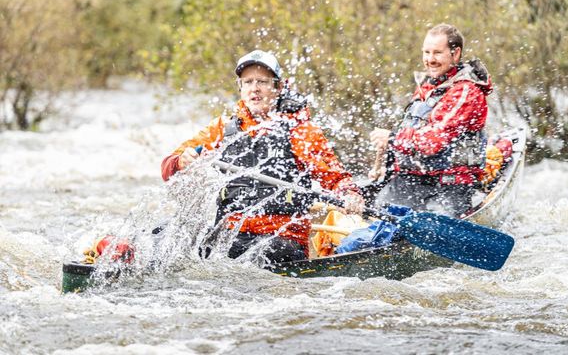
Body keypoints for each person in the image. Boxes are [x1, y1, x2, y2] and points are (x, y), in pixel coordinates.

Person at [161, 50, 364, 263]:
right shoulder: (222, 128)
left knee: (257, 255)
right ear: (240, 88)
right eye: (248, 82)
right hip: (229, 232)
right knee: (166, 236)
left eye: (262, 81)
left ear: (278, 87)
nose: (254, 89)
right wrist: (181, 161)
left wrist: (350, 194)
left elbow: (336, 179)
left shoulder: (300, 131)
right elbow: (168, 167)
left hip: (281, 237)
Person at [369, 24, 492, 217]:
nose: (430, 60)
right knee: (376, 217)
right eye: (426, 52)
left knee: (431, 225)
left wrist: (392, 139)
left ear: (455, 53)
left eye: (437, 53)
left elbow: (433, 141)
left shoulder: (467, 92)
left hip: (450, 185)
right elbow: (412, 131)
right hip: (412, 180)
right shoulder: (427, 87)